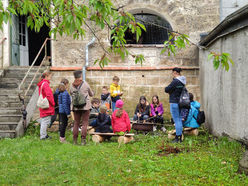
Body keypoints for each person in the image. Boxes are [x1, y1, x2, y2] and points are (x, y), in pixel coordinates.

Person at [70, 70, 94, 145]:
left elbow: (71, 93)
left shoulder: (72, 85)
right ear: (80, 76)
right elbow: (91, 94)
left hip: (76, 107)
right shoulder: (85, 84)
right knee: (84, 123)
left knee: (76, 123)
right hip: (85, 106)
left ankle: (75, 141)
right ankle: (83, 140)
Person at [165, 67, 186, 143]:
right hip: (180, 102)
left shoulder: (176, 81)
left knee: (176, 120)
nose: (172, 75)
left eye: (173, 73)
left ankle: (178, 138)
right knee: (179, 119)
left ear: (175, 73)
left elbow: (166, 89)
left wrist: (170, 90)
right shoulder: (183, 81)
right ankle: (179, 137)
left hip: (174, 102)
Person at [37, 72, 55, 140]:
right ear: (46, 76)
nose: (50, 77)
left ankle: (44, 134)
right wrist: (53, 103)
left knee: (45, 120)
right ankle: (43, 136)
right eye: (50, 76)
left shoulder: (42, 83)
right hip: (47, 105)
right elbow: (49, 95)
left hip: (44, 104)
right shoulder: (45, 84)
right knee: (45, 121)